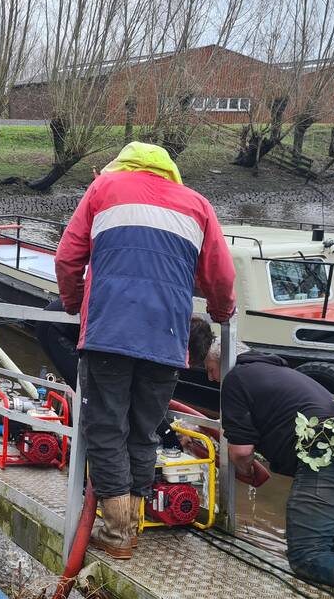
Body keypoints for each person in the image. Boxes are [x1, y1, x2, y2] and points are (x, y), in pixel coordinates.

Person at [54, 142, 236, 560]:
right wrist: (222, 312)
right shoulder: (197, 205)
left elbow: (68, 258)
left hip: (108, 335)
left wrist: (72, 303)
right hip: (167, 340)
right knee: (144, 431)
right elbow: (221, 275)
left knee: (105, 427)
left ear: (122, 164)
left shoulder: (103, 189)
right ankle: (132, 524)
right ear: (169, 171)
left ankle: (117, 533)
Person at [192, 319, 334, 599]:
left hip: (331, 458)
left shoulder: (236, 379)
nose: (210, 379)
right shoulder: (274, 369)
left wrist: (245, 470)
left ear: (220, 362)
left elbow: (241, 452)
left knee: (307, 556)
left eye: (209, 370)